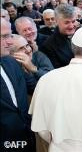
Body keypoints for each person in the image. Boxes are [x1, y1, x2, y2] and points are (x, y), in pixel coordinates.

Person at [0, 18, 36, 151]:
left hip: (26, 138)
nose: (10, 41)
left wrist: (33, 68)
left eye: (9, 35)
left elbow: (36, 87)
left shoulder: (11, 61)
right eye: (4, 37)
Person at [40, 4, 77, 68]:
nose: (71, 26)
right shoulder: (48, 46)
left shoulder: (81, 35)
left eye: (73, 21)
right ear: (56, 21)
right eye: (67, 22)